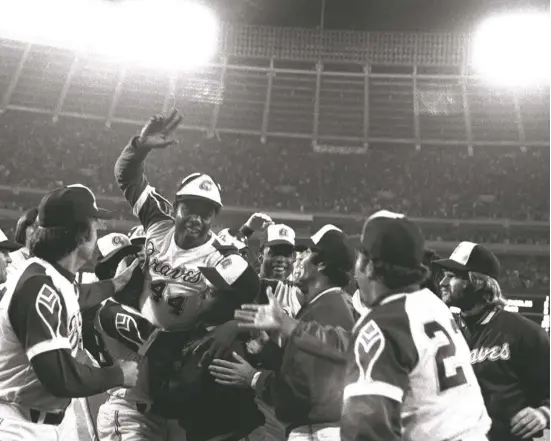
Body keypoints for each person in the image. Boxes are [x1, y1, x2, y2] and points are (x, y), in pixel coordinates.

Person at [235, 211, 491, 441]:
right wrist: (291, 327)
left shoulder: (385, 320)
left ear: (369, 266)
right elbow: (349, 343)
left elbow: (370, 424)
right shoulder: (433, 307)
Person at [0, 184, 140, 441]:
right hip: (21, 427)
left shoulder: (50, 275)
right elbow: (60, 377)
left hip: (53, 422)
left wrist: (116, 283)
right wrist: (118, 374)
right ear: (81, 233)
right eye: (95, 225)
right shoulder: (38, 287)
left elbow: (79, 296)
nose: (97, 234)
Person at [114, 108, 260, 331]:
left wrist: (230, 325)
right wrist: (141, 146)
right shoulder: (157, 221)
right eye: (190, 208)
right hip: (139, 329)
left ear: (213, 218)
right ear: (175, 207)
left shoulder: (219, 255)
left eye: (206, 213)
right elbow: (126, 176)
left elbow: (251, 287)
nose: (196, 218)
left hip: (182, 344)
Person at [213, 225, 356, 441]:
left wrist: (253, 378)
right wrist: (266, 349)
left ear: (323, 263)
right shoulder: (325, 305)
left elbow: (302, 391)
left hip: (316, 432)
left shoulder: (329, 309)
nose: (299, 258)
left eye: (307, 252)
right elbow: (305, 367)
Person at [434, 241, 550, 441]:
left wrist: (544, 413)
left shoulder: (525, 332)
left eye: (451, 277)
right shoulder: (444, 332)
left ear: (477, 282)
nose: (442, 283)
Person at [6, 207, 38, 278]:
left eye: (40, 227)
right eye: (33, 226)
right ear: (23, 228)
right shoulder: (11, 259)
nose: (37, 230)